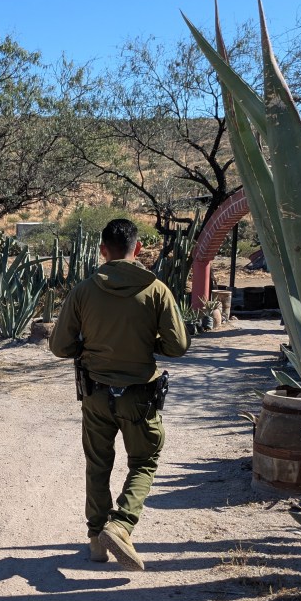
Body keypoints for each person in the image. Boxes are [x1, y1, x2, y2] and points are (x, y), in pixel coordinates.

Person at [50, 219, 189, 571]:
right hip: (140, 397)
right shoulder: (156, 290)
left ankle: (98, 539)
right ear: (137, 249)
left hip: (96, 394)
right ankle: (122, 524)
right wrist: (148, 342)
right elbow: (178, 346)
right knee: (144, 461)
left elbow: (59, 346)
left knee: (98, 464)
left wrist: (90, 345)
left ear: (102, 251)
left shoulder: (83, 291)